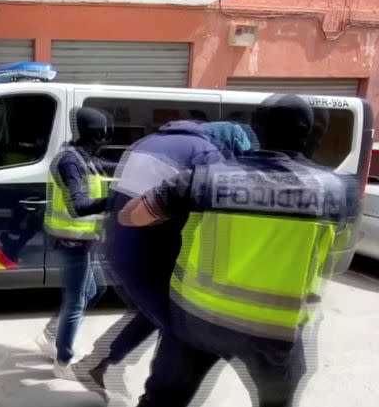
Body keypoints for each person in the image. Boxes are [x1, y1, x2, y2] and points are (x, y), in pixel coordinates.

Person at [118, 94, 348, 407]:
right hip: (274, 332)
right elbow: (338, 256)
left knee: (163, 400)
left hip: (196, 320)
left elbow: (131, 216)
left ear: (256, 128)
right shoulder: (335, 192)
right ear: (309, 134)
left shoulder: (206, 179)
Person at [87, 119, 231, 390]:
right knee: (180, 328)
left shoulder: (146, 142)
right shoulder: (207, 154)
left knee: (154, 313)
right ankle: (155, 393)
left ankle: (101, 363)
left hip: (119, 248)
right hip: (148, 253)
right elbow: (216, 210)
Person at [35, 107, 115, 380]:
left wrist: (139, 167)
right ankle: (64, 361)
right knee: (77, 300)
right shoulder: (70, 162)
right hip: (72, 240)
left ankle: (51, 334)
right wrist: (114, 202)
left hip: (84, 240)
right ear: (97, 133)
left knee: (97, 288)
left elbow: (108, 168)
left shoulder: (84, 156)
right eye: (104, 131)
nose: (106, 136)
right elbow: (78, 206)